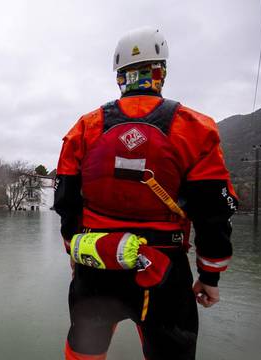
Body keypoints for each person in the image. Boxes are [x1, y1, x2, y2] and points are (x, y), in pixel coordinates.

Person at [53, 26, 238, 360]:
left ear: (119, 77)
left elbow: (66, 203)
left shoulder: (84, 128)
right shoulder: (195, 128)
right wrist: (210, 276)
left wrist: (75, 255)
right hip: (162, 270)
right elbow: (213, 212)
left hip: (95, 264)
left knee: (83, 353)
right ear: (161, 73)